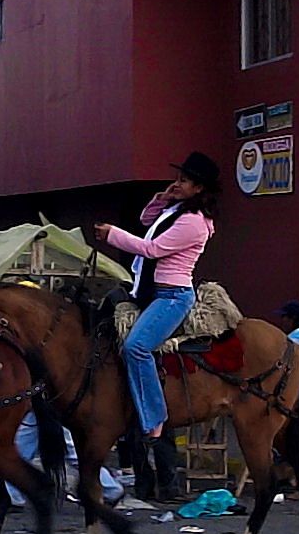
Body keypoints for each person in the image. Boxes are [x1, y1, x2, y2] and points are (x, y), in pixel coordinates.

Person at [93, 150, 220, 439]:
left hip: (172, 296)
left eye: (184, 181)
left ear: (199, 188)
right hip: (153, 291)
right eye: (178, 178)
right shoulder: (177, 210)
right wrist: (162, 198)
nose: (178, 184)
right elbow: (146, 220)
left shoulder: (194, 221)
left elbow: (153, 249)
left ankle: (154, 418)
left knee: (136, 347)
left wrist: (113, 235)